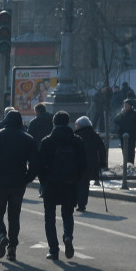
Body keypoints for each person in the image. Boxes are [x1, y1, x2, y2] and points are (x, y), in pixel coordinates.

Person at [0, 109, 38, 262]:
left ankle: (1, 236)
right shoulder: (28, 139)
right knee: (14, 216)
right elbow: (35, 164)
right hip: (18, 182)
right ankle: (12, 248)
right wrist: (28, 178)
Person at [36, 111, 87, 261]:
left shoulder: (47, 141)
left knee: (50, 217)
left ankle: (53, 249)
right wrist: (76, 179)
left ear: (54, 123)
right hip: (70, 184)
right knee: (67, 214)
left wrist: (44, 181)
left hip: (51, 184)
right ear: (68, 122)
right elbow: (83, 164)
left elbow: (40, 165)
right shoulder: (76, 141)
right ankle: (68, 237)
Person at [73, 116, 107, 213]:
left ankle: (75, 202)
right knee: (84, 184)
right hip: (91, 163)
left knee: (76, 183)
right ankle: (82, 204)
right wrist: (102, 162)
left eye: (77, 125)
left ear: (80, 125)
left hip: (77, 163)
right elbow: (102, 149)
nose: (75, 126)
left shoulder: (76, 136)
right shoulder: (95, 135)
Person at [113, 99, 136, 168]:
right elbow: (115, 121)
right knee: (124, 149)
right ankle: (125, 163)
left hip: (131, 135)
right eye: (124, 105)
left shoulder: (135, 113)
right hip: (122, 134)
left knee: (131, 150)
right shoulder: (122, 113)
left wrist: (134, 129)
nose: (125, 107)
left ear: (130, 106)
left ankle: (130, 164)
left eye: (126, 105)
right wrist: (121, 114)